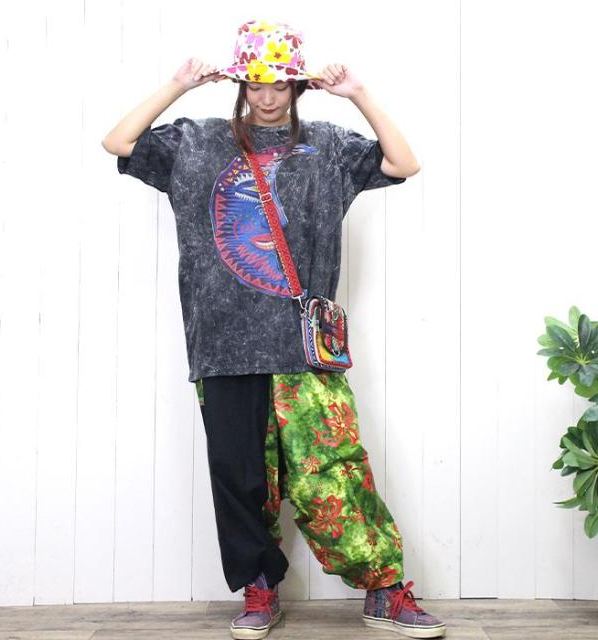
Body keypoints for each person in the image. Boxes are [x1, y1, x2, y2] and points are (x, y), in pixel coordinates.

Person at [103, 18, 445, 640]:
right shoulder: (196, 141)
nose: (267, 97)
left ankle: (384, 590)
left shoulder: (328, 145)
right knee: (239, 477)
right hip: (222, 341)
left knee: (332, 467)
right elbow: (118, 142)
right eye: (256, 84)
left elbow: (404, 162)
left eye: (280, 84)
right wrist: (178, 84)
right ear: (239, 85)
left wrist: (358, 93)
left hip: (302, 344)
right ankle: (260, 588)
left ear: (298, 86)